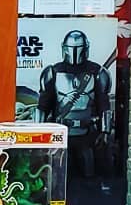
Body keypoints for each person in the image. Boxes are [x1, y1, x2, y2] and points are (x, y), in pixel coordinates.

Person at [37, 29, 112, 180]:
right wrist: (38, 134)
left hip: (88, 135)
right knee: (59, 178)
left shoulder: (97, 72)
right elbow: (42, 107)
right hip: (60, 135)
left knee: (89, 177)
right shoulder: (53, 72)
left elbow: (104, 106)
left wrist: (105, 132)